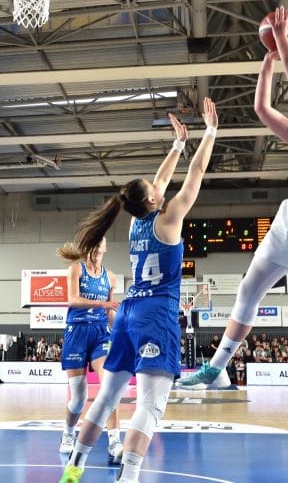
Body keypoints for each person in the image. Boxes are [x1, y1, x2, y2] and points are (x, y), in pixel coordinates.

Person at [176, 6, 288, 458]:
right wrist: (270, 55)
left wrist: (282, 41)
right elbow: (262, 107)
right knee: (249, 288)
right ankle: (217, 368)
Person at [59, 96, 218, 483]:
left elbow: (160, 181)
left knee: (108, 398)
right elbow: (194, 177)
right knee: (150, 404)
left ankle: (74, 467)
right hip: (155, 314)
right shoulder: (169, 220)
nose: (159, 187)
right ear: (151, 199)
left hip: (128, 312)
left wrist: (178, 145)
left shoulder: (136, 223)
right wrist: (210, 134)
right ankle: (129, 477)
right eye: (155, 189)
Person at [56, 236, 123, 463]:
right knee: (78, 399)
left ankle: (115, 442)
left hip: (99, 334)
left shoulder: (110, 277)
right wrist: (102, 304)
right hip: (76, 333)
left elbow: (110, 312)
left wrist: (121, 331)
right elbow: (73, 300)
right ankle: (68, 433)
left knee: (109, 388)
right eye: (92, 244)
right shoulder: (76, 269)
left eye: (99, 244)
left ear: (105, 247)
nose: (96, 248)